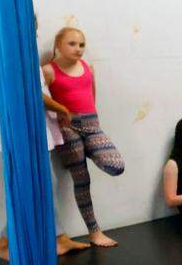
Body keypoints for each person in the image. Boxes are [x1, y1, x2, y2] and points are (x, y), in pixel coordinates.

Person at [0, 14, 90, 259]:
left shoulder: (15, 59)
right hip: (23, 133)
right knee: (30, 190)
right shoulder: (10, 61)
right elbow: (32, 94)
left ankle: (59, 238)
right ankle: (4, 243)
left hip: (32, 130)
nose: (35, 35)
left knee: (46, 186)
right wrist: (62, 108)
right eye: (32, 29)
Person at [44, 27, 124, 247]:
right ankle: (94, 232)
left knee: (115, 165)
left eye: (81, 45)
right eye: (72, 44)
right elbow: (38, 96)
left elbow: (92, 95)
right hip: (68, 128)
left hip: (91, 125)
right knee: (82, 180)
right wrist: (58, 113)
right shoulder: (48, 71)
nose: (78, 49)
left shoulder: (88, 67)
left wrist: (92, 126)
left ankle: (87, 150)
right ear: (58, 45)